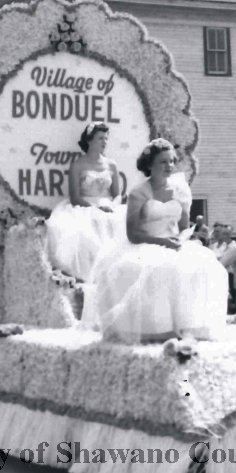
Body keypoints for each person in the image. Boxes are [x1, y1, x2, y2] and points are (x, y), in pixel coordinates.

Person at [83, 139, 228, 343]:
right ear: (150, 165)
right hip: (145, 243)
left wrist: (189, 235)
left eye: (171, 161)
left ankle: (187, 327)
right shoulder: (138, 193)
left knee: (202, 265)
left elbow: (183, 225)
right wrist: (163, 243)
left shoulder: (180, 190)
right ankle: (156, 330)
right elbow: (133, 234)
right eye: (163, 162)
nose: (169, 166)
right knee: (151, 269)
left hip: (174, 243)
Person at [45, 123, 125, 281]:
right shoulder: (78, 165)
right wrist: (96, 208)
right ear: (89, 140)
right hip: (85, 207)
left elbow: (118, 194)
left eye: (106, 139)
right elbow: (75, 196)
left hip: (109, 208)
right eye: (100, 138)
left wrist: (112, 206)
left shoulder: (111, 164)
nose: (104, 142)